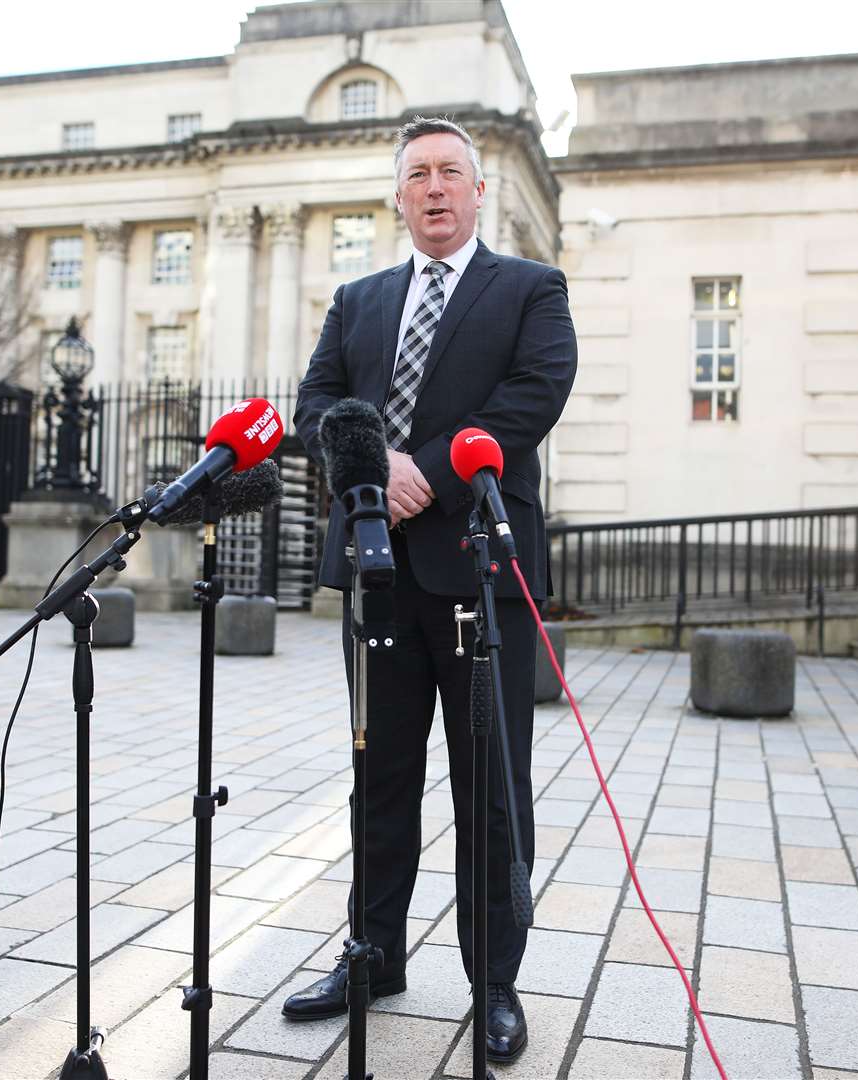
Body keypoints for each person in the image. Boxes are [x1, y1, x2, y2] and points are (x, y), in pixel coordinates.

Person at [290, 116, 577, 1062]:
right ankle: (374, 952)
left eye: (453, 171)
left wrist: (431, 471)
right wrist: (378, 472)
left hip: (480, 574)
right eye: (419, 174)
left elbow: (534, 396)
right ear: (399, 194)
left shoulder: (531, 289)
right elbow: (316, 408)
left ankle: (494, 981)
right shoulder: (358, 299)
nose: (436, 187)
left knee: (490, 785)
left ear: (479, 189)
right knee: (381, 775)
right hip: (376, 573)